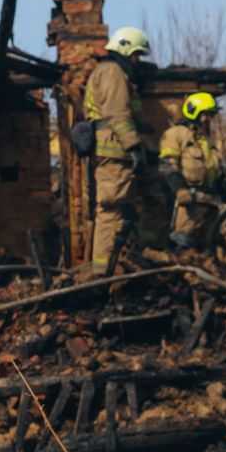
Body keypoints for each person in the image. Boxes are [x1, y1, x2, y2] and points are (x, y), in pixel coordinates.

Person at [85, 26, 151, 275]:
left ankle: (108, 270)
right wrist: (133, 146)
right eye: (136, 55)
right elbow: (117, 113)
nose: (137, 61)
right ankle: (101, 275)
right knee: (111, 212)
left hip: (114, 154)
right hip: (115, 154)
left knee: (120, 212)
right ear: (125, 50)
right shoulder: (113, 72)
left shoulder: (109, 71)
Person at [159, 92, 226, 251]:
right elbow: (167, 165)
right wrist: (180, 189)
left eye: (211, 115)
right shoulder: (176, 134)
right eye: (206, 115)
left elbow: (214, 170)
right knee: (183, 243)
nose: (208, 119)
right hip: (189, 203)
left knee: (208, 248)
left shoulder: (206, 140)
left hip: (211, 203)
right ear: (194, 112)